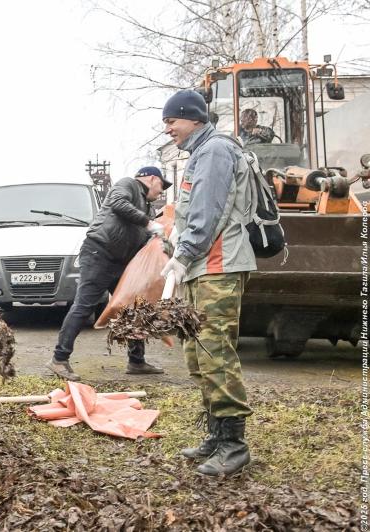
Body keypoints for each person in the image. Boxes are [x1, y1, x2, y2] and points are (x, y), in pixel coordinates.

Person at [161, 90, 256, 477]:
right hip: (203, 266)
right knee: (197, 353)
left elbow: (207, 211)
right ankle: (217, 435)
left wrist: (182, 255)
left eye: (172, 121)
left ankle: (234, 445)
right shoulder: (201, 152)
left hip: (218, 264)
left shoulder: (215, 150)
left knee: (215, 351)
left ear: (194, 118)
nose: (167, 129)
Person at [46, 166, 172, 382]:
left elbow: (140, 237)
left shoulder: (146, 206)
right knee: (84, 306)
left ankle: (136, 361)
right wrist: (149, 223)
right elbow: (118, 203)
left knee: (133, 307)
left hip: (120, 261)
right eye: (161, 185)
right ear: (151, 179)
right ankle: (59, 359)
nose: (162, 192)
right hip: (99, 253)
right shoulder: (128, 185)